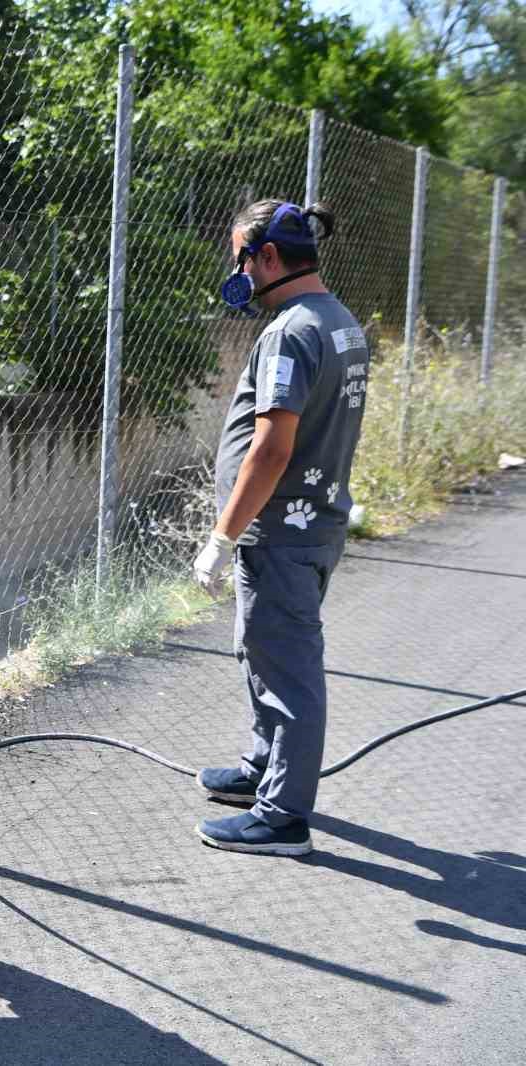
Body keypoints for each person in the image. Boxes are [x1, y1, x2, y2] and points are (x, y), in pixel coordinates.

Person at [193, 199, 368, 857]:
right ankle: (262, 769)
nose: (234, 270)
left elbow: (271, 448)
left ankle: (282, 817)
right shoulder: (341, 321)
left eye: (238, 257)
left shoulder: (291, 330)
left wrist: (220, 538)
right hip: (311, 524)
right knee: (263, 650)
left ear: (265, 257)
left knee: (289, 673)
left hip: (282, 533)